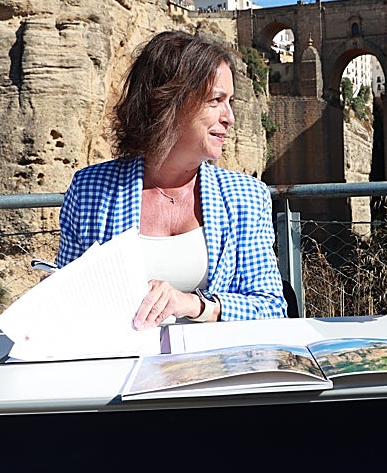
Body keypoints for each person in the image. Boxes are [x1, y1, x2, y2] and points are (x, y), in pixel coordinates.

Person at [55, 29, 287, 327]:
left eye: (230, 101)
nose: (229, 117)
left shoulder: (245, 196)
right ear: (170, 102)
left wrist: (193, 305)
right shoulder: (91, 190)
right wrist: (58, 293)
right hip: (123, 354)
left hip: (216, 355)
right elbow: (68, 303)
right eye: (216, 100)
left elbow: (270, 307)